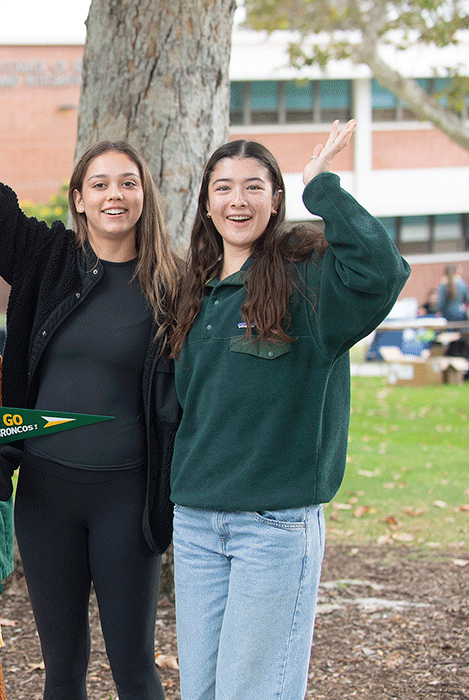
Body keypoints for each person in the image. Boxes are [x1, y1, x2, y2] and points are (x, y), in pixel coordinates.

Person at [0, 12, 183, 700]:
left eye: (127, 182)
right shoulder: (45, 261)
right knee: (63, 670)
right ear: (79, 199)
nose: (114, 194)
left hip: (127, 500)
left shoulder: (174, 286)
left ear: (143, 195)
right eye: (99, 184)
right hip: (46, 496)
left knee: (135, 668)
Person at [166, 122, 410, 700]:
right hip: (197, 522)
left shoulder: (309, 282)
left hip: (273, 526)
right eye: (223, 188)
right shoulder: (193, 290)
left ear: (276, 200)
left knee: (252, 691)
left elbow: (383, 270)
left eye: (255, 187)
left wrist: (320, 187)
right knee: (200, 690)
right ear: (206, 203)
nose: (238, 201)